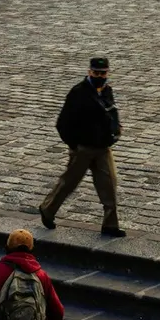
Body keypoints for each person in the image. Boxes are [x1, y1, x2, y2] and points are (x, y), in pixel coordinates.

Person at [39, 58, 124, 237]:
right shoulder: (78, 93)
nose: (100, 76)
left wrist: (114, 132)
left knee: (109, 184)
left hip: (103, 148)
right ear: (89, 72)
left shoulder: (107, 90)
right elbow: (62, 123)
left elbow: (111, 112)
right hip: (83, 148)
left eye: (103, 73)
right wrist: (74, 144)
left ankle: (110, 225)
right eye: (96, 73)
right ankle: (47, 209)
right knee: (68, 182)